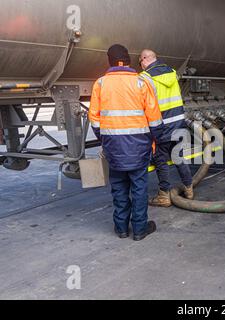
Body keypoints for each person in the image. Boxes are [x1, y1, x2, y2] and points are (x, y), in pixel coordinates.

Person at [89, 44, 164, 241]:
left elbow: (94, 121)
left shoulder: (100, 84)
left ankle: (121, 228)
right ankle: (139, 229)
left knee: (119, 188)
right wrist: (156, 139)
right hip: (139, 147)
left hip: (113, 147)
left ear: (109, 62)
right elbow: (154, 119)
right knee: (139, 188)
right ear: (129, 61)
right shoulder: (141, 83)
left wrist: (106, 139)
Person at [139, 49, 194, 207]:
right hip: (178, 124)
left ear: (144, 59)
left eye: (140, 62)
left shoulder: (145, 78)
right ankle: (189, 189)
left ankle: (164, 195)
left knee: (160, 161)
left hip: (161, 126)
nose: (140, 65)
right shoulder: (172, 72)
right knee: (178, 158)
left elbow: (146, 104)